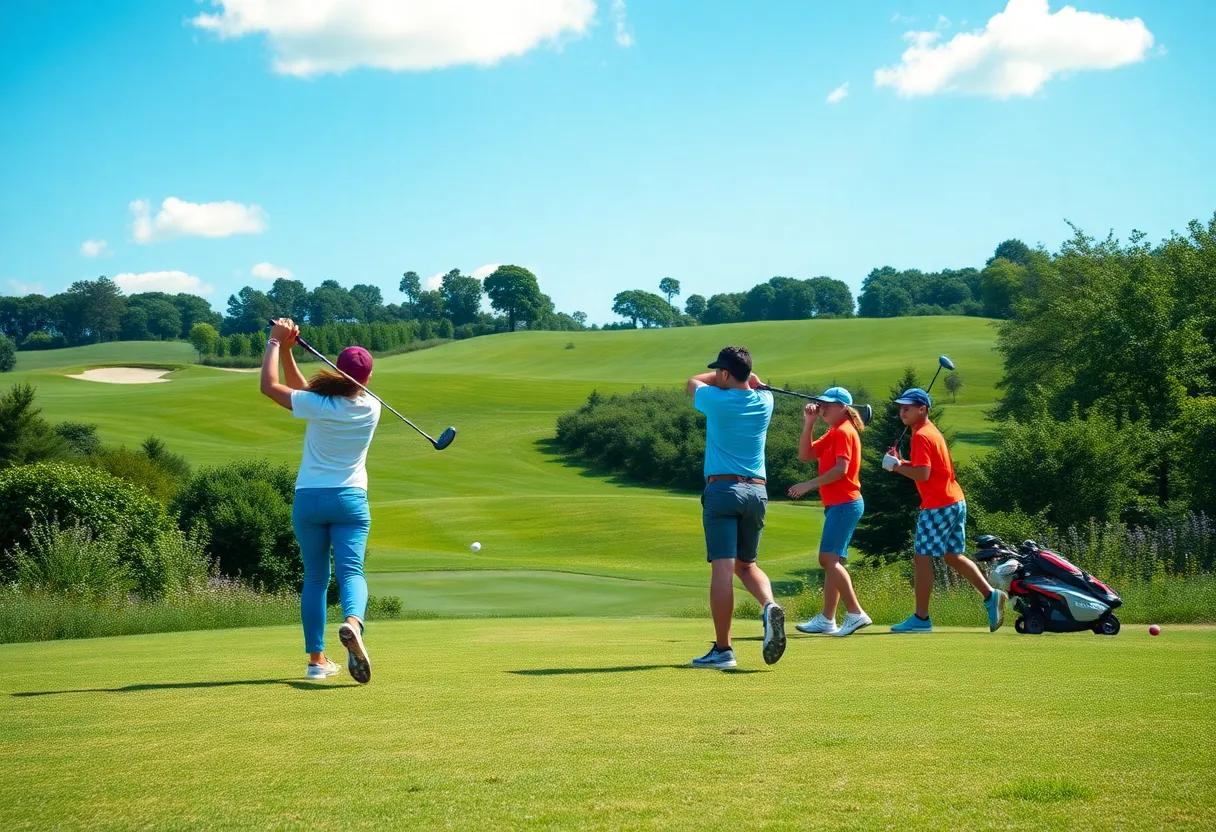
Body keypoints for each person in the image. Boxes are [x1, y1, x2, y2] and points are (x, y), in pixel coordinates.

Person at [260, 318, 382, 682]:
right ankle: (352, 624)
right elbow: (304, 392)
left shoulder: (320, 405)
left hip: (310, 500)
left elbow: (271, 388)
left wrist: (274, 343)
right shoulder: (371, 407)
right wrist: (288, 352)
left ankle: (316, 662)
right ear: (368, 379)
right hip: (350, 501)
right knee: (351, 573)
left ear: (335, 370)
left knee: (315, 577)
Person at [687, 346, 785, 669]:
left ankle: (724, 649)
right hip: (757, 493)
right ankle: (769, 605)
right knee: (747, 566)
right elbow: (745, 383)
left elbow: (692, 382)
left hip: (723, 489)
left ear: (726, 374)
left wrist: (722, 378)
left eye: (720, 371)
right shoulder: (765, 402)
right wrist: (753, 380)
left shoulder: (717, 400)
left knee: (724, 571)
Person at [881, 387, 1006, 633]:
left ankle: (921, 618)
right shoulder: (929, 431)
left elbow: (923, 474)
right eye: (901, 408)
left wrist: (896, 467)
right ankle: (990, 595)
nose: (902, 411)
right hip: (955, 500)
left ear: (923, 409)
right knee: (952, 555)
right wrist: (901, 462)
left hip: (938, 504)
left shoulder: (921, 436)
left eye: (908, 407)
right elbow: (927, 468)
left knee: (922, 558)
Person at [787, 387, 871, 637]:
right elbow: (805, 454)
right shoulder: (835, 432)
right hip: (840, 504)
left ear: (844, 407)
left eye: (829, 405)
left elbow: (841, 470)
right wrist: (809, 423)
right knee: (833, 563)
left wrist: (809, 485)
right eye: (821, 404)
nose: (823, 408)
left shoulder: (844, 432)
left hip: (845, 503)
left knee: (828, 560)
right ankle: (827, 618)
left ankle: (855, 613)